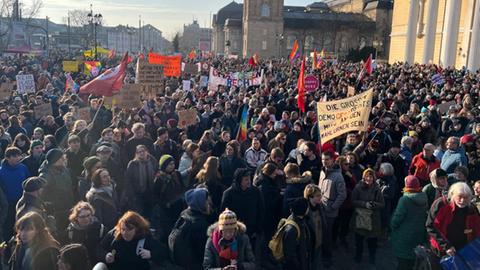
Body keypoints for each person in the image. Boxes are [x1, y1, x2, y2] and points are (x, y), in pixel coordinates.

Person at [426, 182, 480, 268]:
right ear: (453, 195)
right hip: (440, 250)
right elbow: (431, 226)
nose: (462, 200)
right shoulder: (441, 204)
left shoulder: (471, 209)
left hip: (463, 251)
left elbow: (477, 230)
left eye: (466, 198)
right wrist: (446, 246)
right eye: (459, 197)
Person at [390, 176, 428, 270]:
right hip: (418, 234)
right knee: (412, 261)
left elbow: (397, 218)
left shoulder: (405, 200)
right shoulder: (424, 198)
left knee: (402, 262)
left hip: (403, 236)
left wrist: (392, 226)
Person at [170, 188, 211, 270]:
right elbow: (203, 252)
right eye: (206, 201)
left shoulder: (184, 214)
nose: (209, 203)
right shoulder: (200, 224)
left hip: (180, 262)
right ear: (200, 203)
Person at [318, 151, 346, 268]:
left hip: (330, 211)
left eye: (327, 159)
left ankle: (327, 257)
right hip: (321, 207)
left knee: (327, 235)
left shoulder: (338, 176)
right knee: (321, 233)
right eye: (323, 159)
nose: (324, 161)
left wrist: (332, 207)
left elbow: (342, 195)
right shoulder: (322, 171)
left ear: (332, 160)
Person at [221, 168, 265, 240]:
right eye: (246, 180)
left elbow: (261, 210)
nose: (249, 182)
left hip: (252, 230)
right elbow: (223, 213)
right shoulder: (229, 193)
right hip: (234, 231)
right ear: (239, 180)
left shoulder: (256, 191)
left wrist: (258, 229)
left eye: (249, 179)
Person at [352, 168, 384, 264]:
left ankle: (372, 257)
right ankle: (358, 257)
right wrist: (364, 204)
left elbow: (382, 204)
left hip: (373, 218)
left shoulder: (377, 189)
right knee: (359, 240)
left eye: (371, 177)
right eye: (367, 176)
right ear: (364, 177)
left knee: (372, 241)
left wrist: (374, 204)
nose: (369, 179)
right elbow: (353, 201)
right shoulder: (358, 188)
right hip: (360, 217)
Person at [39, 148, 74, 230]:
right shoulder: (45, 175)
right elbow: (40, 194)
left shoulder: (65, 170)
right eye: (61, 158)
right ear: (55, 160)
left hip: (68, 208)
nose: (64, 159)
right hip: (56, 212)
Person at [0, 147, 30, 240]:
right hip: (8, 206)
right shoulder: (1, 171)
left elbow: (28, 183)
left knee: (22, 226)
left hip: (22, 204)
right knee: (8, 228)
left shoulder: (23, 168)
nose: (18, 158)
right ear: (7, 158)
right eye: (14, 156)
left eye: (19, 156)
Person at [124, 145, 158, 216]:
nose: (142, 153)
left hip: (151, 192)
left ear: (147, 152)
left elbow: (156, 171)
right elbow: (128, 180)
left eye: (143, 151)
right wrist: (132, 195)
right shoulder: (132, 164)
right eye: (139, 152)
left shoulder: (152, 160)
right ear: (136, 153)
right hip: (138, 194)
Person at [282, 198, 312, 270]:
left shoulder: (301, 220)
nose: (308, 208)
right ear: (303, 210)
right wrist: (299, 266)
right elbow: (290, 255)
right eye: (307, 207)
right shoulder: (292, 229)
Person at [304, 184, 323, 270]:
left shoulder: (320, 207)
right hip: (310, 242)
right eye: (317, 196)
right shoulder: (305, 211)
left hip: (319, 239)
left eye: (320, 195)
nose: (320, 197)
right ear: (310, 197)